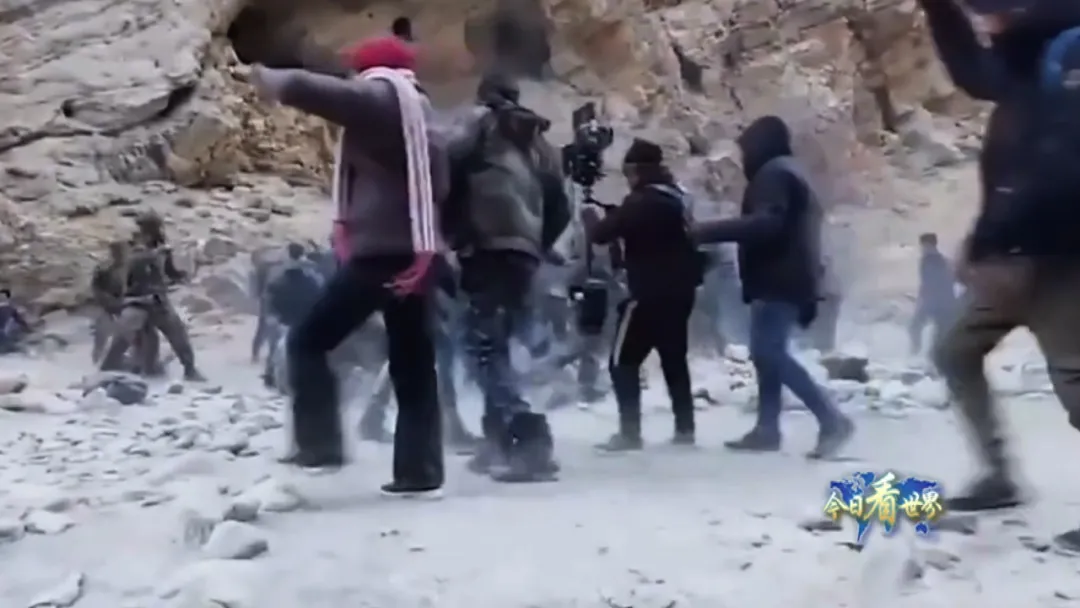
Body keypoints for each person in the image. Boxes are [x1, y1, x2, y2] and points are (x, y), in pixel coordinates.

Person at [249, 35, 448, 497]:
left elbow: (322, 92)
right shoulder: (419, 111)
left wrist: (271, 79)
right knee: (413, 366)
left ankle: (320, 446)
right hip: (418, 252)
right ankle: (419, 471)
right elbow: (439, 185)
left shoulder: (383, 99)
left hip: (381, 254)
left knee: (307, 342)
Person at [918, 0, 1080, 537]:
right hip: (1012, 257)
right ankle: (997, 476)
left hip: (1054, 258)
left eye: (991, 13)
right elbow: (974, 73)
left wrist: (1000, 236)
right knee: (954, 352)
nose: (985, 24)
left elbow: (1056, 169)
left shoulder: (1064, 58)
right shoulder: (1028, 59)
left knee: (1075, 385)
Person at [693, 116, 854, 459]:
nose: (743, 159)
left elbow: (767, 224)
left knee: (768, 352)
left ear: (760, 145)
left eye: (746, 150)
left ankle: (832, 420)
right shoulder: (792, 172)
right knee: (766, 353)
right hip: (791, 277)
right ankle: (767, 429)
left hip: (780, 278)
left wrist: (705, 232)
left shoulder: (774, 174)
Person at [444, 73, 570, 482]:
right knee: (496, 344)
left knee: (481, 347)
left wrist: (453, 233)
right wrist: (536, 243)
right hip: (523, 256)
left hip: (486, 248)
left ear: (485, 95)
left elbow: (442, 168)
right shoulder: (540, 143)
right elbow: (562, 206)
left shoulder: (478, 122)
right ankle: (496, 442)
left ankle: (528, 438)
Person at [582, 138, 702, 451]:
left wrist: (592, 216)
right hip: (681, 292)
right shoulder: (677, 197)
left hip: (648, 294)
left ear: (636, 170)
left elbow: (601, 234)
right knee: (674, 359)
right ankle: (685, 429)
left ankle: (629, 432)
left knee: (622, 361)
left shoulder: (641, 202)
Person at [99, 212, 205, 381]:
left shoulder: (162, 248)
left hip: (158, 299)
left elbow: (169, 271)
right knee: (123, 335)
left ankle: (190, 370)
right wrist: (155, 254)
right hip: (136, 300)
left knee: (178, 334)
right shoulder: (133, 247)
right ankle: (106, 369)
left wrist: (182, 275)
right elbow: (133, 263)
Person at [264, 242, 324, 388]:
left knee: (275, 349)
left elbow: (271, 302)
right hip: (303, 323)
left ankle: (270, 376)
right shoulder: (312, 280)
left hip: (285, 323)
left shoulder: (277, 280)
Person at [909, 232, 958, 356]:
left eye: (924, 245)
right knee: (924, 329)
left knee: (920, 327)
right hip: (940, 302)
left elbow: (931, 283)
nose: (923, 248)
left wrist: (923, 299)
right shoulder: (938, 260)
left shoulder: (933, 261)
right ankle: (920, 353)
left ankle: (920, 353)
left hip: (938, 302)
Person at [91, 240, 130, 363]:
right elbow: (96, 288)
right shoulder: (103, 269)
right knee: (101, 333)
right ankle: (97, 360)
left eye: (122, 252)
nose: (120, 255)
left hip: (127, 305)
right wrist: (107, 300)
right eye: (116, 252)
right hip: (108, 306)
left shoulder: (132, 266)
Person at [0, 288, 30, 354]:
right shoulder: (10, 308)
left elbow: (19, 320)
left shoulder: (10, 309)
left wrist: (27, 328)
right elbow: (20, 320)